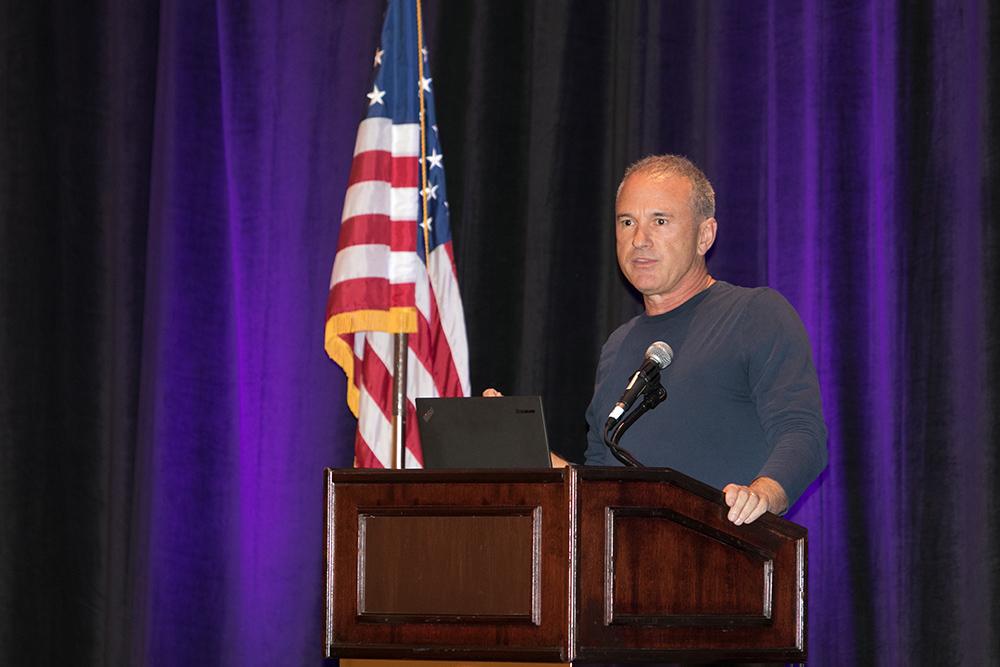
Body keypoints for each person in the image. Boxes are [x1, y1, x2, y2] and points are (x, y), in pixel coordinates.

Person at [582, 154, 827, 524]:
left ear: (705, 235)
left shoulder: (755, 315)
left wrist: (762, 493)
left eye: (660, 221)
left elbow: (803, 434)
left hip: (725, 549)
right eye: (627, 222)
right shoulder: (618, 346)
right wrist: (523, 448)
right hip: (630, 556)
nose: (639, 240)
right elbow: (598, 475)